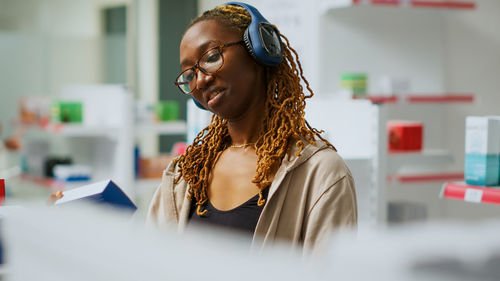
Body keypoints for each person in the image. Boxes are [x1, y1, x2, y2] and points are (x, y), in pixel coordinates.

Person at [146, 2, 357, 254]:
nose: (200, 79)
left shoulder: (323, 174)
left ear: (259, 49)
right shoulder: (183, 175)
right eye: (189, 75)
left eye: (212, 57)